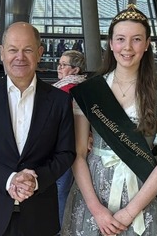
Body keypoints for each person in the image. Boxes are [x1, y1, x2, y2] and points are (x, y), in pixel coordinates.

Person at [62, 4, 157, 236]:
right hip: (92, 194)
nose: (127, 47)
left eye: (136, 39)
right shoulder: (90, 90)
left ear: (146, 45)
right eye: (120, 39)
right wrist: (97, 211)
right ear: (111, 43)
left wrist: (129, 212)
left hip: (140, 194)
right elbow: (78, 154)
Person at [0, 22, 75, 236]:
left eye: (28, 50)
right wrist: (10, 178)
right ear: (2, 53)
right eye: (13, 50)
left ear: (40, 53)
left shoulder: (59, 101)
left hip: (39, 216)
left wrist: (35, 180)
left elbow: (65, 153)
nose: (20, 57)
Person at [53, 50, 87, 224]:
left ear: (75, 70)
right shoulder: (82, 88)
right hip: (75, 147)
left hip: (64, 147)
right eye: (59, 64)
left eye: (63, 65)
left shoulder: (67, 90)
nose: (59, 67)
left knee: (61, 190)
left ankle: (60, 228)